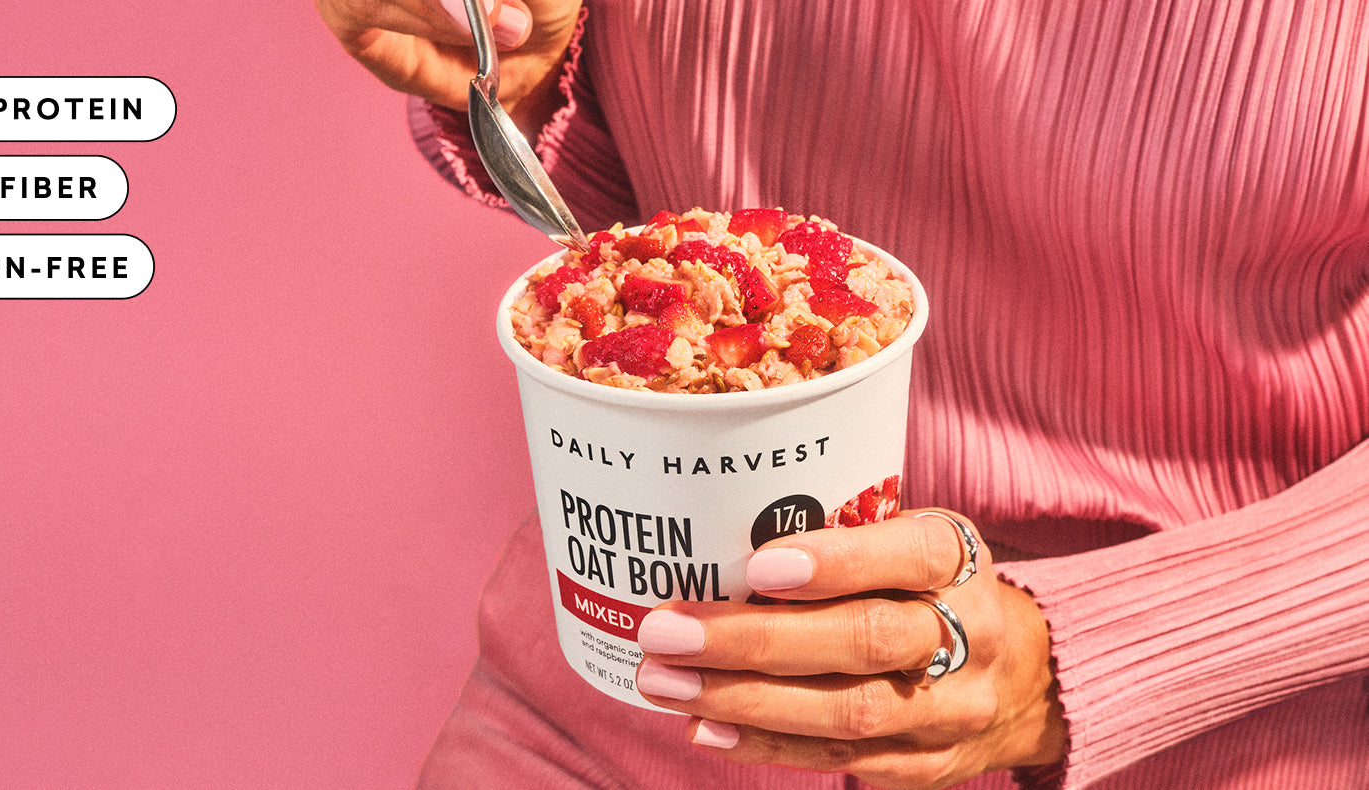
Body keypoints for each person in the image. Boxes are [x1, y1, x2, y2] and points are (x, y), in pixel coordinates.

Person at [315, 1, 1369, 787]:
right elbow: (651, 232)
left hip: (1196, 724)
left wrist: (1075, 657)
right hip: (633, 687)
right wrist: (529, 69)